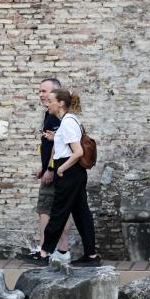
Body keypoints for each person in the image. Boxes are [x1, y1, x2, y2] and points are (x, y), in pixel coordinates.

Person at [32, 89, 100, 267]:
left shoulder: (68, 121)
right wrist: (57, 138)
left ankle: (44, 252)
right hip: (74, 173)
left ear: (61, 103)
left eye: (52, 100)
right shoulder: (69, 121)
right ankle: (91, 255)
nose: (49, 103)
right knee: (81, 213)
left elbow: (77, 152)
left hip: (69, 172)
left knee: (58, 211)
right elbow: (69, 144)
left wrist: (60, 168)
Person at [22, 78, 74, 263]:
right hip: (56, 169)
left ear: (56, 95)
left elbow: (58, 145)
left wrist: (50, 168)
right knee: (61, 209)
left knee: (46, 209)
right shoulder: (54, 114)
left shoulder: (54, 116)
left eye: (45, 92)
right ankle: (61, 251)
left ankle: (44, 250)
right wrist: (43, 167)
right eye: (40, 91)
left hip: (56, 170)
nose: (41, 95)